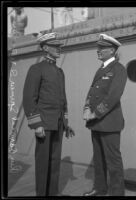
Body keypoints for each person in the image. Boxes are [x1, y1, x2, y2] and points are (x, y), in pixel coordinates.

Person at [23, 32, 75, 196]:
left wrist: (66, 123)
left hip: (58, 124)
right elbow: (29, 98)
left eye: (59, 46)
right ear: (45, 48)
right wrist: (36, 124)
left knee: (54, 163)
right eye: (55, 46)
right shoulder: (36, 69)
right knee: (43, 164)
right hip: (44, 124)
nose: (59, 49)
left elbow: (62, 100)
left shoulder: (59, 72)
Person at [83, 33, 127, 196]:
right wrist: (86, 109)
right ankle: (100, 189)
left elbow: (113, 96)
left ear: (112, 50)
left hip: (109, 122)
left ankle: (117, 193)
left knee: (113, 162)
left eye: (101, 48)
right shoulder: (100, 69)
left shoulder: (119, 69)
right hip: (96, 123)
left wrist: (95, 113)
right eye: (98, 47)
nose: (98, 50)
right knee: (99, 160)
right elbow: (92, 92)